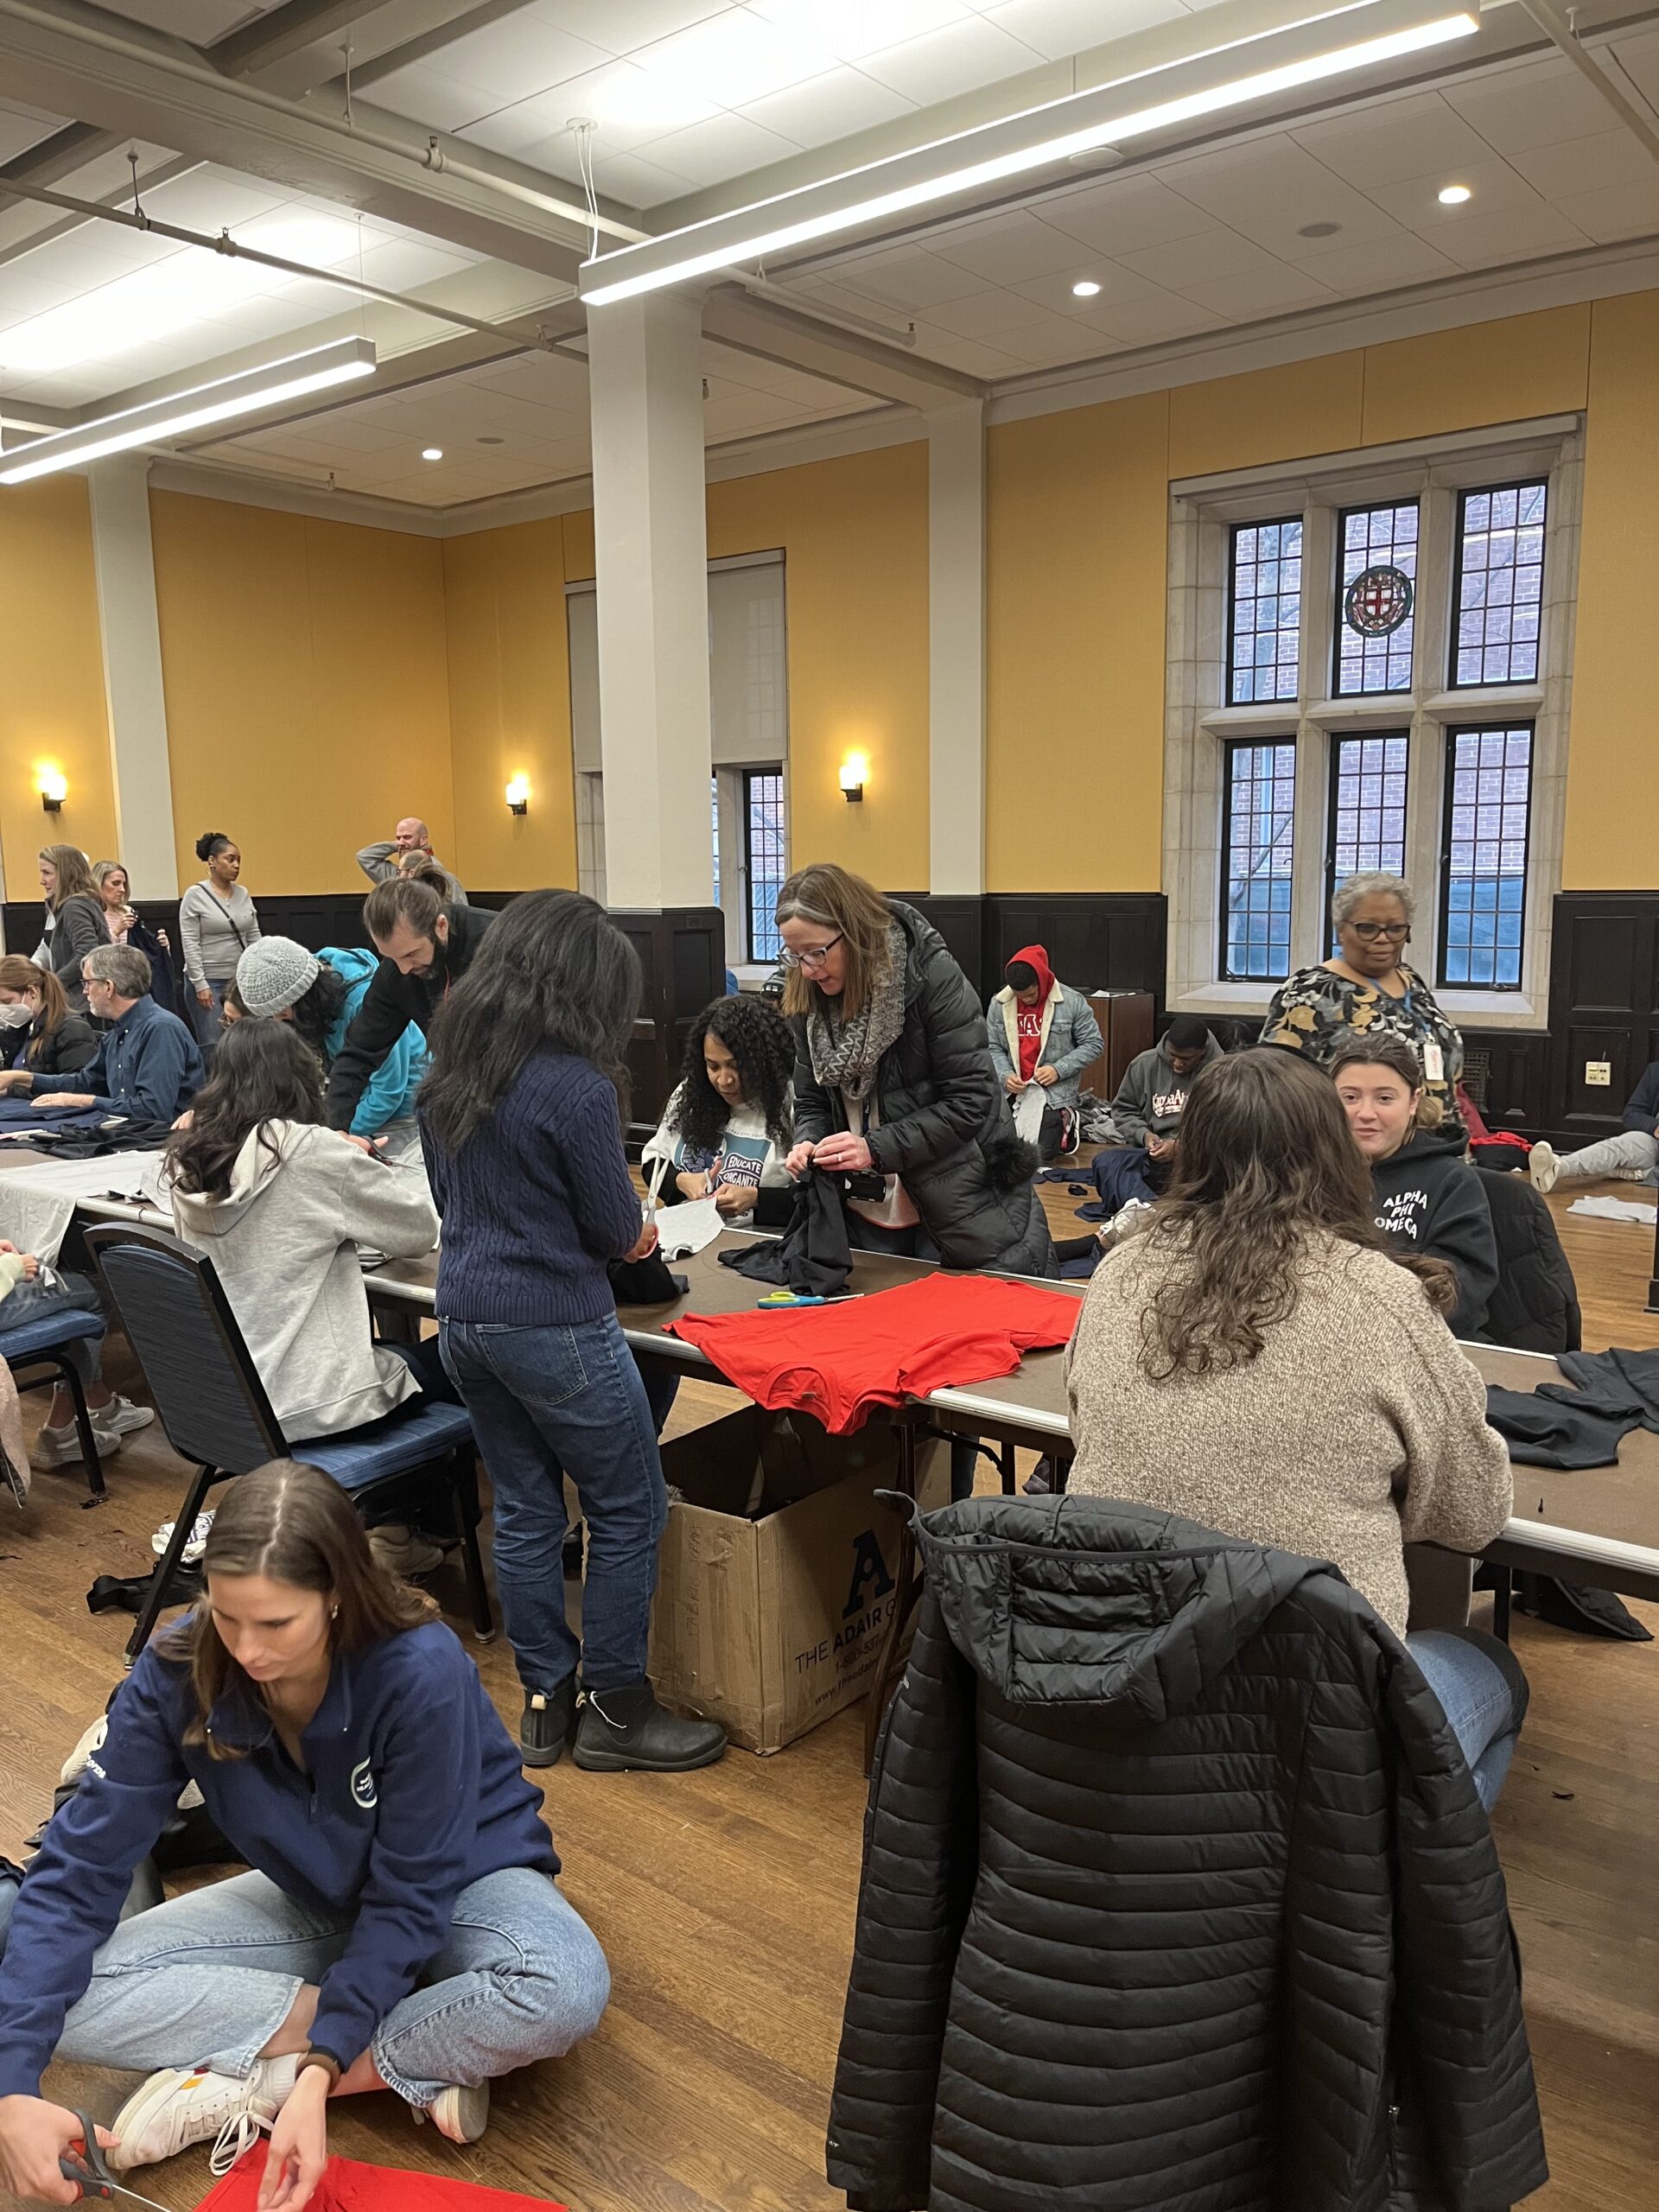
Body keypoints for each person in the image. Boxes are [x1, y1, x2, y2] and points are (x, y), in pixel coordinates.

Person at [0, 1462, 609, 2204]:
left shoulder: (419, 1669)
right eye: (227, 1617)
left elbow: (412, 1893)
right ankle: (425, 2042)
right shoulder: (178, 1667)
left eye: (276, 1624)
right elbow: (76, 1871)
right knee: (66, 1998)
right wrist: (11, 2086)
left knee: (563, 1985)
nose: (247, 1651)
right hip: (319, 1893)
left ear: (336, 1598)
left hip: (464, 1880)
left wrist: (317, 2076)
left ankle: (263, 2085)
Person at [1065, 1049, 1523, 1812]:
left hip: (1130, 1674)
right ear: (1333, 1151)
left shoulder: (1118, 1274)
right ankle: (1381, 1869)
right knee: (1493, 1670)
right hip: (1316, 1717)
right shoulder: (1382, 1297)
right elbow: (1471, 1515)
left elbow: (1086, 1431)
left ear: (1194, 1148)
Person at [421, 889, 726, 1777]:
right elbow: (610, 1228)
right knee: (629, 1504)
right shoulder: (577, 1085)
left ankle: (547, 1702)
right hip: (551, 1321)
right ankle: (621, 1710)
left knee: (522, 1508)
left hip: (465, 1317)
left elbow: (455, 1203)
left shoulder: (449, 1072)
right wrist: (634, 1228)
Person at [162, 1020, 445, 1446]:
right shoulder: (312, 1151)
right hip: (317, 1404)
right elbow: (419, 1232)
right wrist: (353, 1165)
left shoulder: (189, 1159)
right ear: (302, 1078)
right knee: (466, 1355)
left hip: (236, 1398)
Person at [777, 865, 1054, 1280]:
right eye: (794, 956)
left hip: (957, 1203)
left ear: (854, 932)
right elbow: (814, 1097)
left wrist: (874, 1147)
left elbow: (970, 1101)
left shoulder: (928, 976)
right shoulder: (807, 993)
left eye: (817, 952)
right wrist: (807, 1141)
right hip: (861, 1211)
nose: (808, 969)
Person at [1333, 1032, 1498, 1340]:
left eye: (1385, 1098)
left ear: (1413, 1101)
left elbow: (1457, 1292)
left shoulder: (1453, 1183)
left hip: (1426, 1347)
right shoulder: (1310, 1174)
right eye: (1350, 1097)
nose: (1366, 1114)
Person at [1261, 871, 1464, 1116]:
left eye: (1395, 928)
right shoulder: (1310, 991)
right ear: (1341, 931)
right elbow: (1276, 1089)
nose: (1383, 939)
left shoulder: (1410, 980)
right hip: (1360, 1146)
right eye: (1367, 928)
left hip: (1442, 1144)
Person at [324, 877, 494, 1134]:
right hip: (460, 1085)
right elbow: (359, 1052)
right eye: (391, 958)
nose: (404, 969)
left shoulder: (497, 940)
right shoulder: (396, 973)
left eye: (411, 954)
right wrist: (336, 1129)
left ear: (441, 927)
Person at [235, 938, 428, 1150]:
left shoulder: (363, 1004)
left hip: (403, 1115)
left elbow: (388, 1091)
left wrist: (335, 1135)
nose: (279, 1021)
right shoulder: (310, 988)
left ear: (305, 999)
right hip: (352, 1107)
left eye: (283, 1013)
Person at [641, 994, 795, 1227]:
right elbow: (652, 1163)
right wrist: (681, 1181)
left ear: (762, 1062)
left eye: (735, 1066)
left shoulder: (791, 1104)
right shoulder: (691, 1093)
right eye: (713, 1066)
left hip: (758, 1249)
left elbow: (812, 1202)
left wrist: (756, 1198)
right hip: (687, 1236)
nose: (724, 1080)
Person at [27, 945, 203, 1127]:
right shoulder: (116, 1034)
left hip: (161, 1143)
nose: (85, 991)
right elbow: (87, 1082)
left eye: (87, 983)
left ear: (109, 987)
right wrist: (24, 1079)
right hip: (131, 1135)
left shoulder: (161, 1030)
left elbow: (153, 1110)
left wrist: (81, 1101)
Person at [1090, 1015, 1227, 1221]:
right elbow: (1123, 1110)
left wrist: (1181, 1147)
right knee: (1106, 1162)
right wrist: (1144, 1136)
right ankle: (1152, 1214)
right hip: (1151, 1156)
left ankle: (1143, 1210)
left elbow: (1227, 1128)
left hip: (1199, 1161)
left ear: (1202, 1052)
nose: (1178, 1064)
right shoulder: (1144, 1064)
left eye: (1186, 1059)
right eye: (1173, 1055)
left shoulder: (1224, 1073)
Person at [985, 946, 1102, 1158]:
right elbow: (993, 1047)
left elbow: (1093, 1044)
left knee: (1039, 1155)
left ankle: (1067, 1118)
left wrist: (1058, 1070)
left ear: (1042, 980)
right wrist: (1005, 1075)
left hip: (1053, 1093)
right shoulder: (999, 1003)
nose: (1026, 1001)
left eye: (1030, 995)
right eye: (1020, 997)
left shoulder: (1072, 1002)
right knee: (998, 1151)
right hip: (1014, 1090)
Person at [180, 834, 260, 1061]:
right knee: (214, 1045)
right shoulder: (195, 895)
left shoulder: (243, 893)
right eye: (230, 859)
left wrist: (259, 969)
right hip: (210, 982)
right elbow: (190, 941)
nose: (236, 866)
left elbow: (254, 935)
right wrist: (200, 983)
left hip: (241, 980)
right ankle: (214, 1093)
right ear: (212, 862)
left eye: (239, 861)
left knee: (245, 1042)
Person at [1529, 1058, 1659, 1194]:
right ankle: (1558, 1168)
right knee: (1616, 1146)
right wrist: (1654, 1127)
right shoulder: (1655, 1071)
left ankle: (1642, 1173)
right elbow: (1631, 1114)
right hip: (1653, 1144)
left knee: (1617, 1166)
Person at [90, 861, 180, 1020]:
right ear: (99, 884)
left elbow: (141, 952)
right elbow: (93, 954)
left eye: (124, 884)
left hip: (131, 985)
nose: (122, 890)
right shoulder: (92, 914)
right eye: (115, 884)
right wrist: (117, 931)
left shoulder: (128, 912)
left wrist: (162, 947)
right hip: (105, 986)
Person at [32, 846, 109, 1014]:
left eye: (47, 873)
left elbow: (87, 953)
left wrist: (53, 984)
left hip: (81, 1004)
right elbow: (47, 945)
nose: (42, 880)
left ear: (65, 873)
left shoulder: (74, 907)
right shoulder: (66, 905)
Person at [0, 957, 96, 1090]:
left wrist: (11, 1090)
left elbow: (78, 1088)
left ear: (33, 992)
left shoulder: (71, 1029)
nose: (2, 1009)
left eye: (6, 1002)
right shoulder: (20, 1029)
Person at [356, 819, 467, 905]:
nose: (401, 842)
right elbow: (364, 857)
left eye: (407, 837)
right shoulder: (395, 876)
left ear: (423, 840)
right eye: (398, 838)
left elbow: (463, 915)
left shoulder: (447, 880)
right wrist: (398, 845)